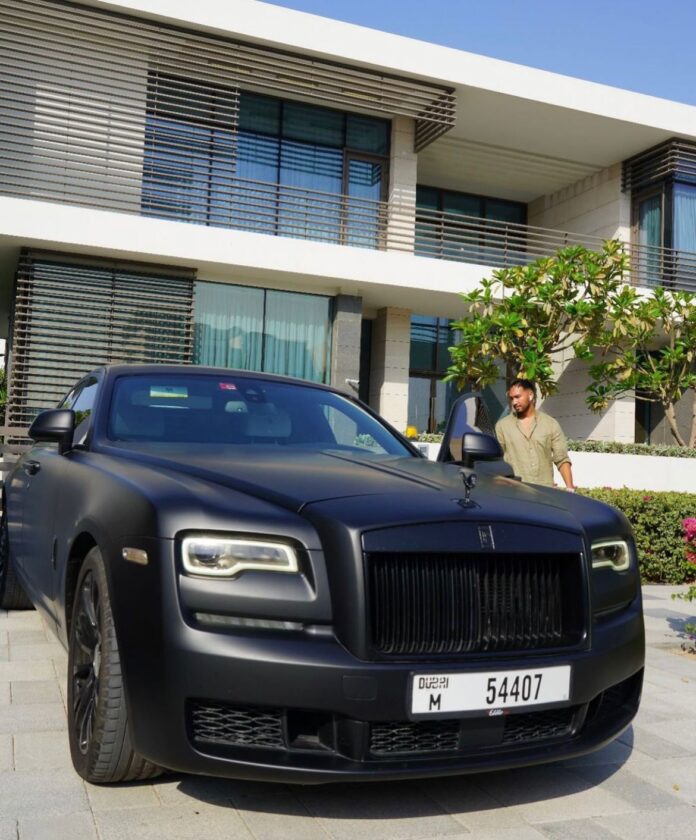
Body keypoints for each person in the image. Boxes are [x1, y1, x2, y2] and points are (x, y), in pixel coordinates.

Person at [495, 378, 575, 490]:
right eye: (511, 398)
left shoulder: (550, 424)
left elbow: (561, 458)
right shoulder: (502, 426)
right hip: (514, 491)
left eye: (518, 397)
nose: (514, 402)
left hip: (544, 491)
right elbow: (497, 460)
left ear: (530, 395)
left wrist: (570, 488)